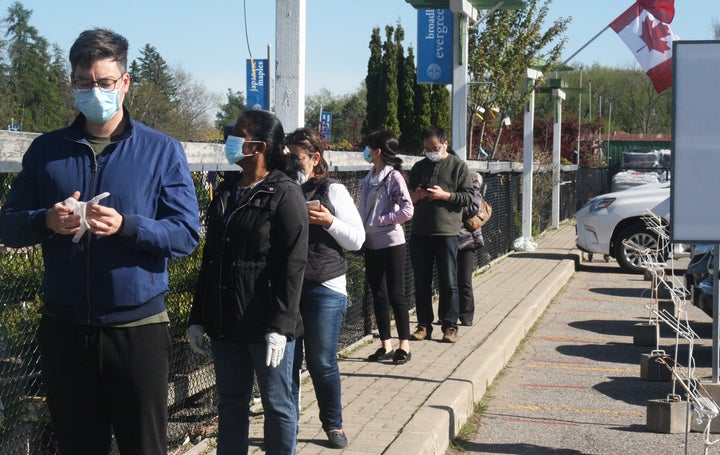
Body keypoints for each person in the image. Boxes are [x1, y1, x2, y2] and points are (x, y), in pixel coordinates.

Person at [0, 28, 200, 455]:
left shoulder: (161, 151)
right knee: (77, 445)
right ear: (72, 83)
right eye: (84, 82)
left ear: (124, 83)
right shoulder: (47, 151)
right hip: (65, 329)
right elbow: (8, 224)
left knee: (144, 446)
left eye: (105, 82)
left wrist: (128, 225)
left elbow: (185, 234)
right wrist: (45, 221)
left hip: (137, 330)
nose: (95, 91)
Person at [187, 110, 308, 455]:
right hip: (227, 320)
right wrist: (198, 316)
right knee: (231, 404)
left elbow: (293, 263)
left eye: (238, 134)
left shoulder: (284, 194)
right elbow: (211, 261)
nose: (230, 140)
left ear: (259, 146)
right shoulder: (226, 191)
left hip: (266, 323)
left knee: (277, 404)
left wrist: (282, 325)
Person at [286, 127, 365, 449]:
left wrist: (329, 222)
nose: (291, 163)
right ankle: (285, 425)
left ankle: (333, 424)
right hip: (287, 288)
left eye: (297, 158)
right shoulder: (282, 188)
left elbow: (358, 241)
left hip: (325, 286)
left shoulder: (332, 190)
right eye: (286, 157)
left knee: (321, 360)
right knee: (285, 361)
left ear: (315, 158)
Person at [408, 126, 473, 343]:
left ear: (445, 144)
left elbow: (467, 198)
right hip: (420, 231)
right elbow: (407, 198)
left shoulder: (458, 166)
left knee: (449, 281)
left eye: (435, 148)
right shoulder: (418, 167)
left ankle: (450, 325)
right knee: (421, 282)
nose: (431, 152)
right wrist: (415, 196)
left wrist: (445, 195)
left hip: (447, 231)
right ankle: (423, 325)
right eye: (427, 148)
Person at [358, 130, 414, 364]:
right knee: (378, 294)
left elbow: (407, 210)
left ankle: (405, 345)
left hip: (391, 243)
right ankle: (385, 345)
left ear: (377, 151)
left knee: (395, 294)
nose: (365, 151)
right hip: (371, 244)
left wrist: (380, 221)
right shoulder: (369, 176)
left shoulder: (393, 178)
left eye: (368, 147)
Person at [458, 172, 486, 327]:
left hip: (467, 239)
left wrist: (450, 204)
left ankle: (467, 316)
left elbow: (472, 208)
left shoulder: (472, 184)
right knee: (448, 280)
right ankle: (448, 314)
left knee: (464, 280)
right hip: (450, 238)